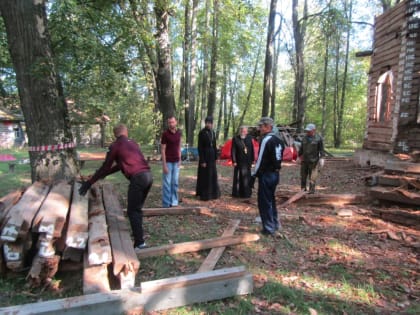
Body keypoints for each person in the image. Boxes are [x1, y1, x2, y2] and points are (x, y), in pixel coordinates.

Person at [79, 124, 153, 251]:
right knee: (136, 210)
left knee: (133, 211)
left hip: (138, 178)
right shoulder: (133, 144)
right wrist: (103, 175)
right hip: (148, 177)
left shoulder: (115, 146)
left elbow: (106, 166)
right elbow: (119, 165)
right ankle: (139, 239)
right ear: (125, 132)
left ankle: (140, 244)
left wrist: (89, 182)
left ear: (115, 134)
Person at [252, 117, 284, 236]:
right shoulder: (279, 140)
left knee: (264, 202)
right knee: (271, 200)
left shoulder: (266, 140)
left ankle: (269, 228)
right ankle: (275, 223)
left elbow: (260, 159)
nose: (259, 129)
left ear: (268, 127)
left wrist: (254, 173)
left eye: (261, 126)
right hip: (275, 174)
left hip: (267, 174)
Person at [196, 116, 220, 201]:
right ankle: (205, 194)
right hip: (205, 155)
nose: (208, 124)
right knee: (205, 175)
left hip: (212, 156)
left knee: (212, 174)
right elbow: (200, 147)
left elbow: (214, 145)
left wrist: (216, 157)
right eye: (207, 123)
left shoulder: (213, 132)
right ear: (205, 123)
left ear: (212, 124)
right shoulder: (202, 133)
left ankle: (213, 193)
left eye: (210, 123)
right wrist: (202, 160)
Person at [161, 116, 181, 207]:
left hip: (176, 161)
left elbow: (179, 147)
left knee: (175, 182)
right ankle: (166, 203)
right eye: (169, 122)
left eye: (172, 122)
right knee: (167, 183)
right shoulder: (165, 134)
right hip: (168, 162)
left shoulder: (179, 133)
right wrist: (164, 165)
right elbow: (162, 150)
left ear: (176, 122)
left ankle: (174, 201)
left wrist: (180, 159)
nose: (171, 124)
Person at [298, 123, 325, 194]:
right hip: (304, 161)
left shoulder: (318, 138)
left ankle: (311, 191)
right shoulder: (304, 138)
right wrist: (298, 156)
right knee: (303, 177)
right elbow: (301, 149)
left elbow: (321, 149)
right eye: (307, 131)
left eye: (309, 131)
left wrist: (322, 158)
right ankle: (303, 190)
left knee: (312, 177)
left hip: (313, 161)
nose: (308, 132)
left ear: (314, 130)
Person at [231, 126, 254, 198]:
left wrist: (252, 160)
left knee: (247, 177)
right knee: (238, 177)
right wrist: (234, 161)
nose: (243, 132)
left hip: (247, 161)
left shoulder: (249, 138)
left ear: (246, 132)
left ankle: (247, 193)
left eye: (244, 131)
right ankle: (237, 193)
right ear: (239, 131)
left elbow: (252, 149)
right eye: (241, 131)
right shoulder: (235, 139)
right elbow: (233, 150)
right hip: (239, 161)